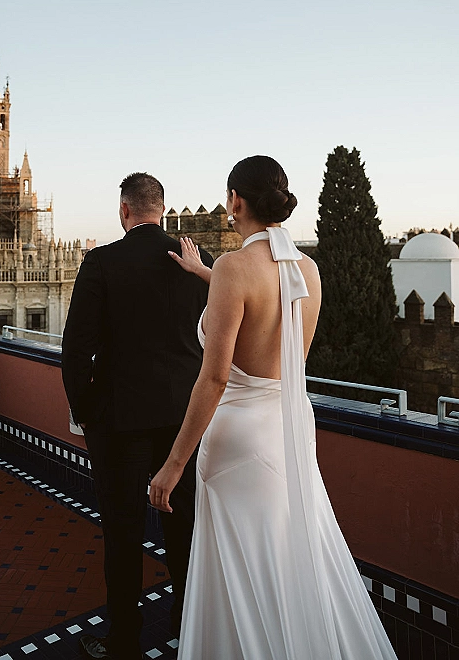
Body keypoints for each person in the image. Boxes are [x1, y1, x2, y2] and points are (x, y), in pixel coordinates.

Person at [150, 156, 397, 660]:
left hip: (236, 440)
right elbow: (270, 317)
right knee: (285, 555)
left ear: (235, 201)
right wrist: (205, 274)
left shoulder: (233, 269)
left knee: (237, 567)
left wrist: (173, 464)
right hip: (288, 431)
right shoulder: (307, 269)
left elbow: (216, 375)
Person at [61, 172, 212, 660]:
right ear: (162, 210)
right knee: (185, 531)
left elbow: (76, 349)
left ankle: (123, 639)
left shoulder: (101, 262)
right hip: (183, 423)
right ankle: (186, 629)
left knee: (122, 535)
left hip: (118, 423)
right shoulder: (196, 263)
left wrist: (86, 413)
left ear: (125, 211)